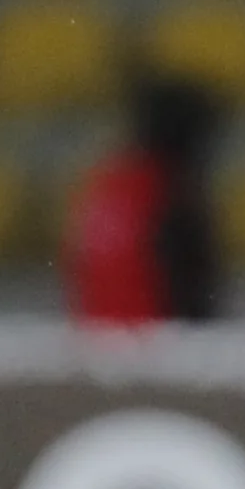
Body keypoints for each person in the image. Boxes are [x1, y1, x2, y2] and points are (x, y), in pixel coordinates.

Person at [64, 72, 226, 328]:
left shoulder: (106, 182)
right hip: (155, 350)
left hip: (97, 343)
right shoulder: (166, 193)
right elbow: (190, 293)